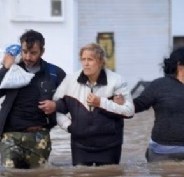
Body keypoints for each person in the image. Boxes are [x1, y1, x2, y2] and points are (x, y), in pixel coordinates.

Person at [53, 43, 134, 166]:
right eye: (83, 59)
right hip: (80, 145)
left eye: (90, 59)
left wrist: (101, 102)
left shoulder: (117, 80)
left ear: (101, 62)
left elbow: (129, 111)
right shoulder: (70, 80)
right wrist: (69, 126)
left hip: (110, 144)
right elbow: (55, 107)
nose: (85, 63)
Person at [133, 47, 184, 162]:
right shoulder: (158, 86)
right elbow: (136, 106)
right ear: (180, 65)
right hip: (163, 152)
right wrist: (120, 103)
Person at [0, 29, 66, 169]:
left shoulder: (54, 73)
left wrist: (56, 105)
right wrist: (5, 69)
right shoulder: (12, 71)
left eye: (33, 53)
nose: (28, 57)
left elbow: (70, 101)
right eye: (24, 52)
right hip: (10, 136)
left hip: (39, 136)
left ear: (42, 51)